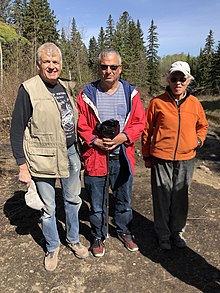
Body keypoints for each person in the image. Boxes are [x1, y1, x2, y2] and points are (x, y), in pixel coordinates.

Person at [10, 42, 89, 271]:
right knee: (48, 208)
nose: (52, 66)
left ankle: (73, 240)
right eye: (47, 62)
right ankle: (52, 246)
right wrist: (22, 165)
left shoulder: (65, 87)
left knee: (73, 200)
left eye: (56, 62)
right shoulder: (28, 89)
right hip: (42, 157)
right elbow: (16, 129)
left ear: (61, 65)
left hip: (70, 153)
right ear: (38, 64)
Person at [77, 48, 145, 257]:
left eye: (113, 67)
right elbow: (81, 123)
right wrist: (95, 140)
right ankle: (98, 234)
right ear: (99, 68)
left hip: (122, 154)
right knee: (96, 201)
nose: (108, 71)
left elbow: (139, 122)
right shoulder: (87, 93)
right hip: (96, 156)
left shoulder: (130, 93)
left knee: (123, 198)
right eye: (104, 66)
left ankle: (124, 230)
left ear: (120, 69)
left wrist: (123, 137)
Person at [142, 61, 208, 250]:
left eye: (182, 79)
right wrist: (147, 155)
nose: (178, 82)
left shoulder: (195, 104)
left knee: (180, 197)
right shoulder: (157, 102)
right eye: (174, 78)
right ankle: (163, 234)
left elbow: (203, 126)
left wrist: (198, 141)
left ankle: (177, 232)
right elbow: (147, 130)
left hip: (186, 158)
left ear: (188, 81)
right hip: (161, 158)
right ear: (168, 80)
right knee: (161, 196)